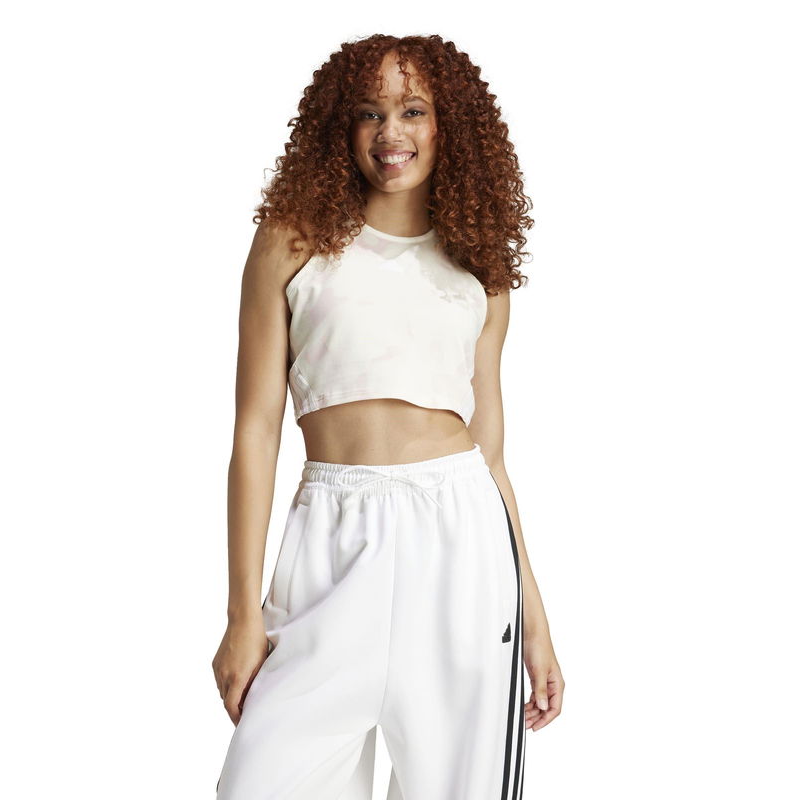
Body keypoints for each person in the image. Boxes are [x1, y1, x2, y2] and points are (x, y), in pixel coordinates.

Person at [212, 33, 565, 800]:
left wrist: (535, 621)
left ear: (448, 125)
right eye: (370, 112)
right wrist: (242, 616)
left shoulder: (479, 268)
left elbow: (491, 457)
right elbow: (255, 432)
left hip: (460, 544)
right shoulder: (292, 242)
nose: (390, 132)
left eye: (413, 111)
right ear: (341, 126)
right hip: (330, 541)